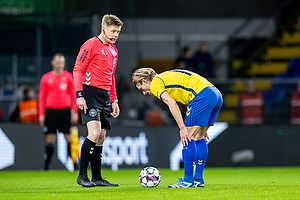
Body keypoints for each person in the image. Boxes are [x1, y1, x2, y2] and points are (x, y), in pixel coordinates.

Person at [132, 68, 223, 188]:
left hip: (201, 95)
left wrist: (182, 128)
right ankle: (198, 179)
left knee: (188, 138)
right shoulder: (165, 77)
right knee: (199, 137)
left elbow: (172, 103)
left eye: (141, 89)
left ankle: (187, 180)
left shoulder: (155, 84)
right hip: (215, 94)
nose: (144, 93)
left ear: (144, 81)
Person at [73, 14, 123, 187]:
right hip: (89, 93)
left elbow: (111, 77)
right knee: (94, 133)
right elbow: (77, 69)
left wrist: (114, 100)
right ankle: (82, 175)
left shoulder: (113, 50)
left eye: (118, 31)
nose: (116, 35)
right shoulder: (90, 44)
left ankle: (97, 177)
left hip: (104, 96)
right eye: (113, 31)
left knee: (101, 137)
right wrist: (79, 95)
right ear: (104, 28)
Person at [38, 53, 78, 170]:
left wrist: (74, 110)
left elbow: (73, 95)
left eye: (62, 63)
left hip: (65, 111)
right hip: (51, 111)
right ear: (53, 63)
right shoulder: (46, 78)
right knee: (50, 138)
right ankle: (46, 165)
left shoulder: (69, 77)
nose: (59, 65)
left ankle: (75, 164)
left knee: (68, 137)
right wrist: (41, 114)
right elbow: (41, 97)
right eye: (58, 62)